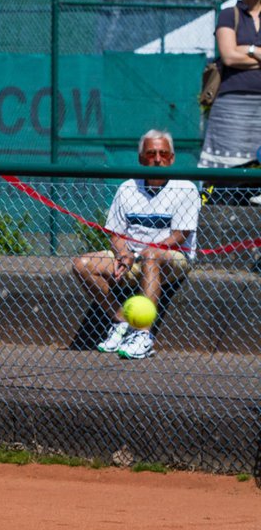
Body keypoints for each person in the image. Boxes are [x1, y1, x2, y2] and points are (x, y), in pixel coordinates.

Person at [72, 130, 199, 360]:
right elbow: (116, 234)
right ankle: (121, 322)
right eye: (151, 153)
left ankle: (143, 335)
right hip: (133, 259)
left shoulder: (186, 188)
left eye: (163, 153)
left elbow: (179, 236)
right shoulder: (127, 188)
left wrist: (141, 253)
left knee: (152, 256)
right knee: (82, 264)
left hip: (172, 259)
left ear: (172, 158)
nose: (157, 159)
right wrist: (123, 253)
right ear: (141, 158)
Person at [198, 0, 261, 181]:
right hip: (231, 102)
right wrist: (257, 51)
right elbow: (229, 56)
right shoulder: (227, 14)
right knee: (224, 172)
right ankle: (217, 210)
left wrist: (245, 50)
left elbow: (237, 54)